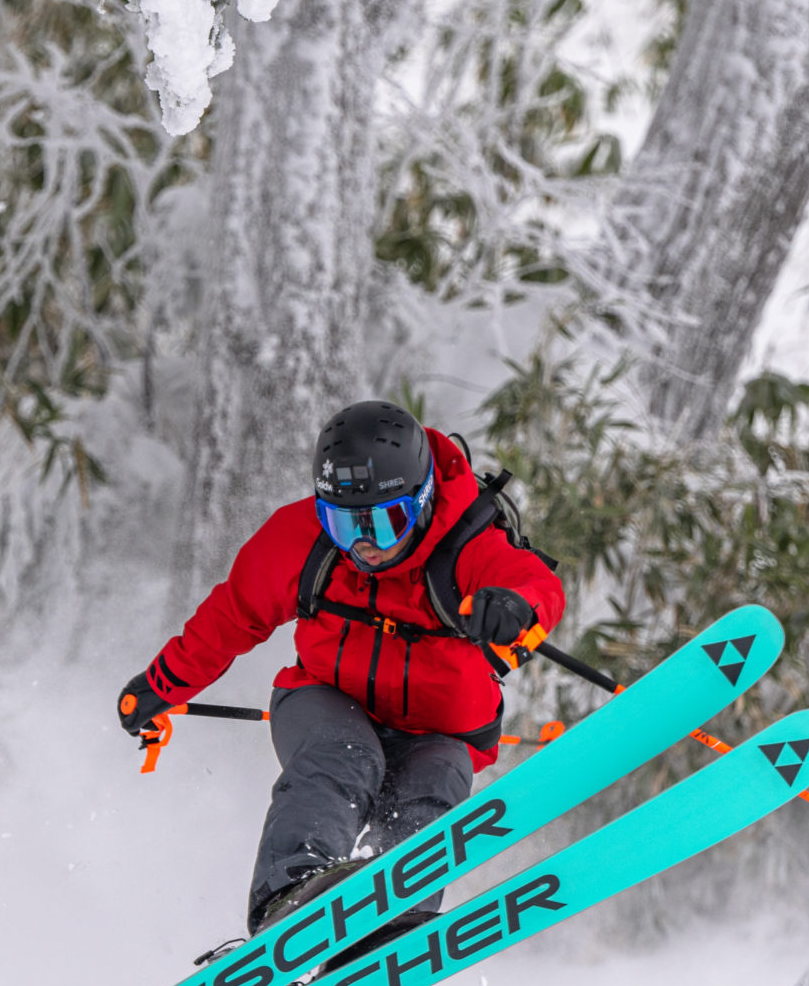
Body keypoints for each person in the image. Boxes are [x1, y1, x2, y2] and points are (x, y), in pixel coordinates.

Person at [118, 399, 566, 937]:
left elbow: (537, 584)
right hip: (324, 701)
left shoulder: (466, 546)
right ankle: (291, 896)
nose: (364, 545)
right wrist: (162, 684)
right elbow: (230, 618)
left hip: (438, 730)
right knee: (342, 758)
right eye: (342, 522)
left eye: (384, 521)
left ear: (423, 502)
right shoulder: (301, 541)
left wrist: (514, 606)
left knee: (435, 784)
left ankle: (395, 919)